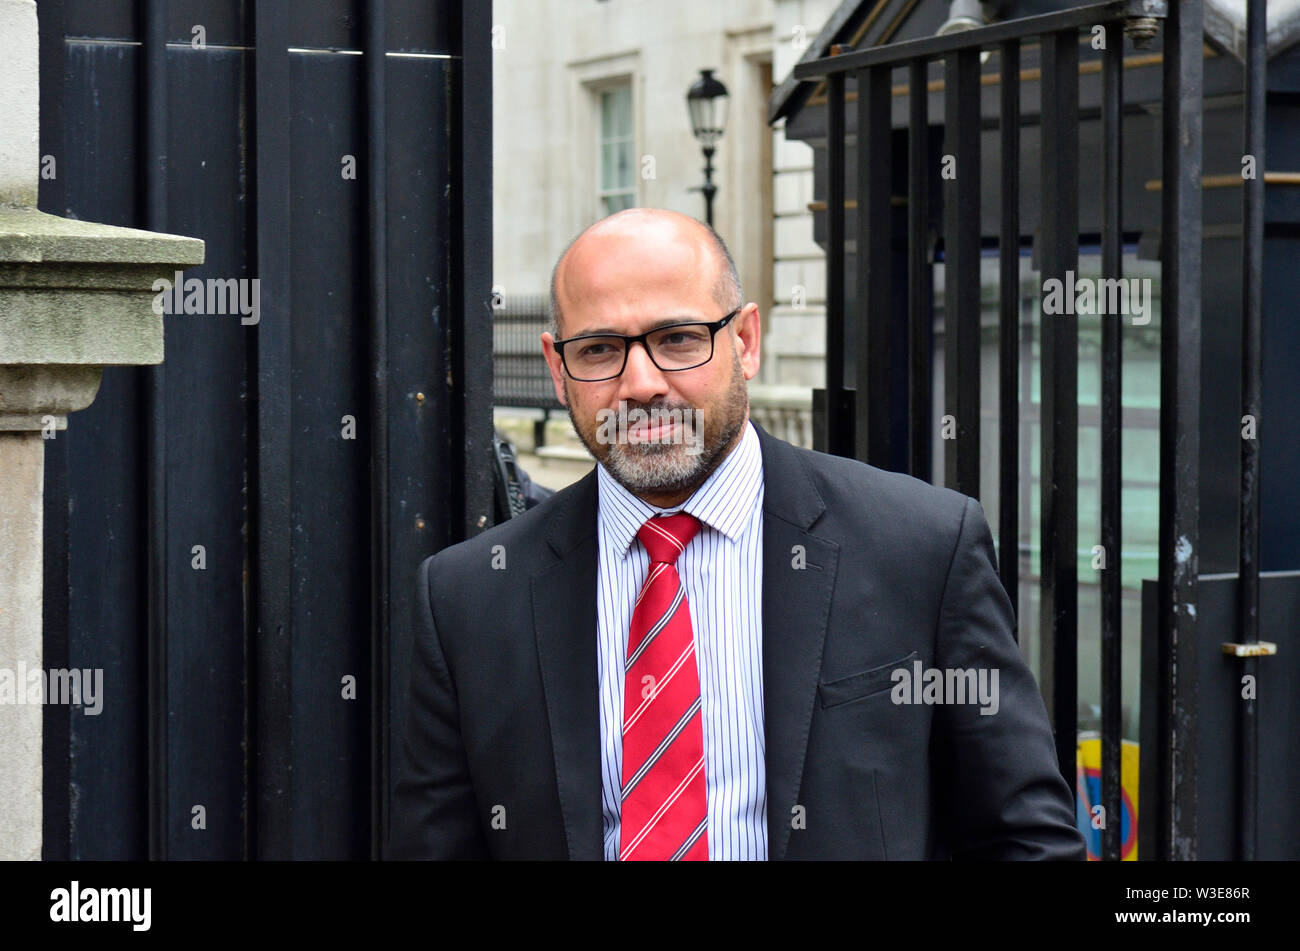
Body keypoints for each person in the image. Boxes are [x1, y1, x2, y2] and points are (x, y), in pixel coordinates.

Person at [390, 208, 1085, 861]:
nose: (641, 382)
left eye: (677, 339)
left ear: (745, 341)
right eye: (600, 348)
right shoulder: (468, 598)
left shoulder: (921, 547)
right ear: (556, 365)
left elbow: (1024, 838)